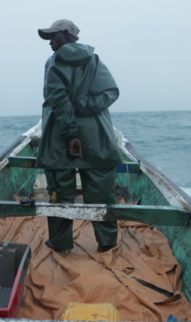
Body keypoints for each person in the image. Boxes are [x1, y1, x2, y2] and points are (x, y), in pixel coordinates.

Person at [36, 19, 122, 253]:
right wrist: (84, 105)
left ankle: (60, 243)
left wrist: (71, 133)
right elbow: (111, 93)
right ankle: (107, 242)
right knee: (102, 193)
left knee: (59, 194)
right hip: (97, 139)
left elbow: (58, 101)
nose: (51, 43)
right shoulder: (95, 60)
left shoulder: (53, 62)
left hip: (59, 140)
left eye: (54, 36)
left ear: (67, 35)